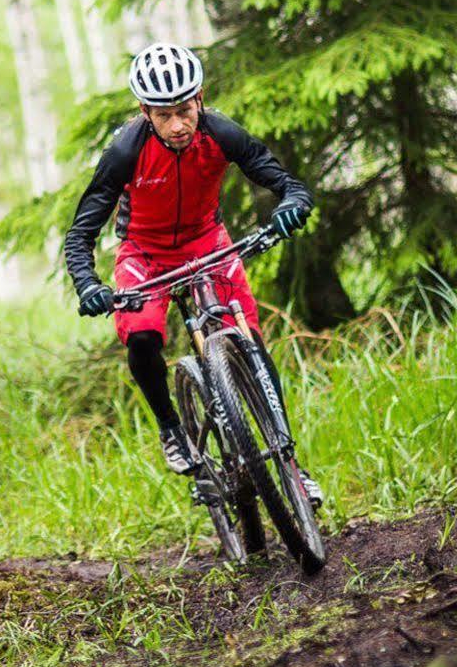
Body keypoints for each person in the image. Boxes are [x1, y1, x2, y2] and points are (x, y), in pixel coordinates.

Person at [64, 43, 319, 502]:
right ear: (145, 112)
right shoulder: (125, 150)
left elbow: (286, 183)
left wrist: (292, 205)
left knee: (253, 348)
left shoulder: (220, 132)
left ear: (199, 98)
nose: (178, 125)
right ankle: (171, 429)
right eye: (164, 115)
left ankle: (293, 468)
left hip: (208, 242)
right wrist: (87, 285)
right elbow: (80, 234)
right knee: (141, 336)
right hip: (146, 252)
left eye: (185, 110)